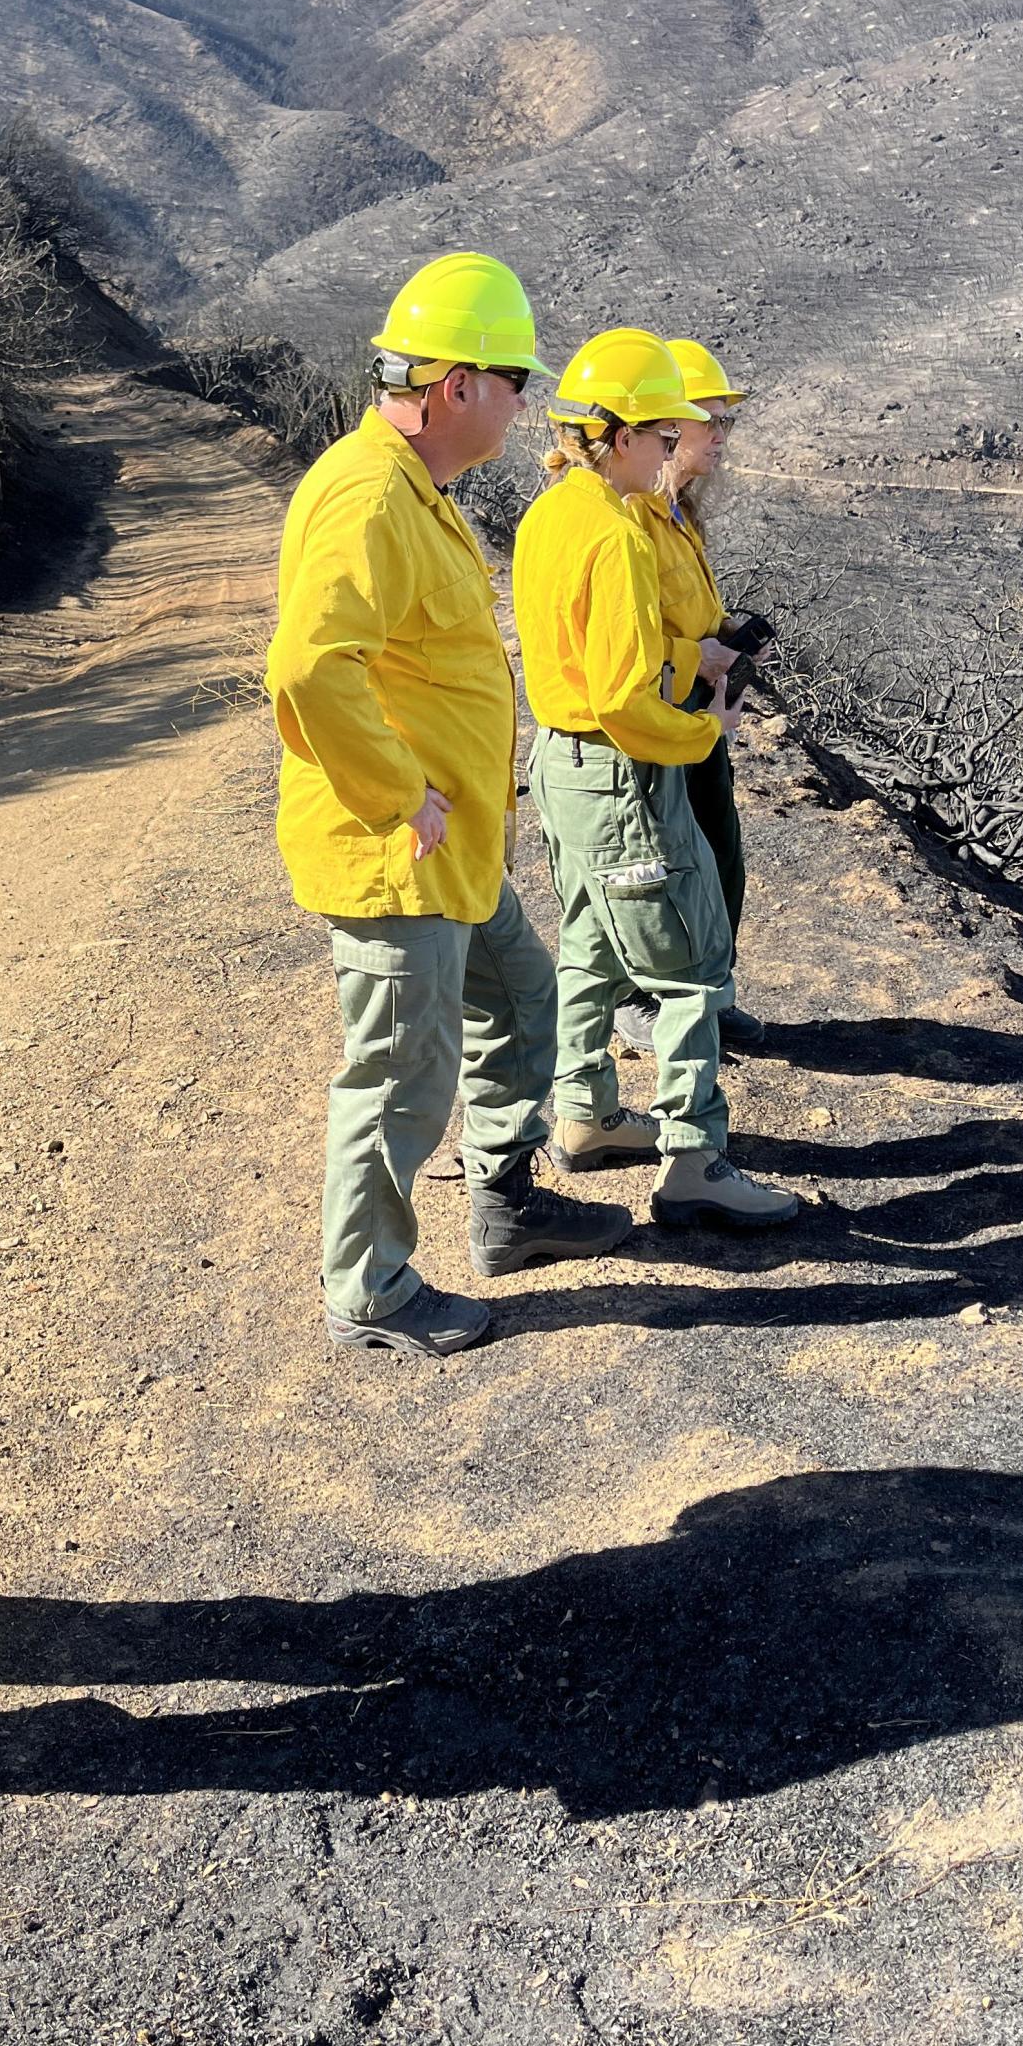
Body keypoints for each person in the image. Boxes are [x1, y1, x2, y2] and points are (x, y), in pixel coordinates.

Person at [265, 254, 634, 1360]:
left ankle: (508, 1205)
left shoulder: (411, 487)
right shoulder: (370, 490)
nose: (528, 405)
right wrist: (397, 794)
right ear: (460, 382)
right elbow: (307, 665)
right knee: (398, 1074)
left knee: (526, 999)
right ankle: (368, 1287)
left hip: (449, 848)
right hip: (398, 854)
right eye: (517, 378)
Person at [513, 328, 799, 1230]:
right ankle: (693, 1162)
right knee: (691, 962)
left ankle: (588, 1113)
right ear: (623, 435)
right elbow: (627, 699)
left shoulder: (550, 512)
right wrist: (700, 731)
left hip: (561, 765)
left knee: (592, 938)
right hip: (621, 769)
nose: (674, 450)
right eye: (664, 435)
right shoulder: (618, 535)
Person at [615, 338, 765, 1053]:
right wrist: (697, 656)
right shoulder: (632, 521)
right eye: (715, 421)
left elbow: (686, 613)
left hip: (702, 710)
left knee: (718, 853)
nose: (722, 439)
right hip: (661, 713)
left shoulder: (680, 517)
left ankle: (712, 988)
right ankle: (641, 999)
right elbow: (632, 639)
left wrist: (727, 640)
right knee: (656, 864)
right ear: (672, 423)